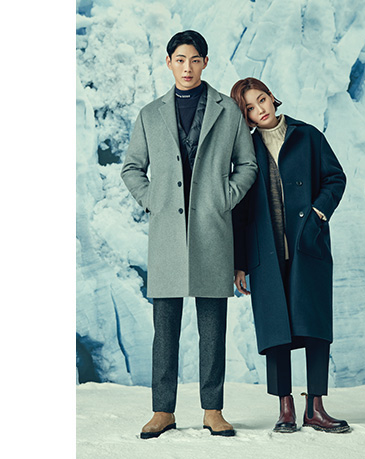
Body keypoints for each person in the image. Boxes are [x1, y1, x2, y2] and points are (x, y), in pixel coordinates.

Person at [121, 31, 257, 439]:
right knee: (165, 330)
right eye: (180, 59)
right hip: (166, 233)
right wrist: (155, 201)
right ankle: (162, 411)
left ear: (205, 62)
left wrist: (223, 197)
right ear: (169, 63)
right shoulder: (150, 114)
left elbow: (246, 165)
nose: (187, 67)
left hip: (211, 229)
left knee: (212, 327)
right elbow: (132, 168)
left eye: (195, 60)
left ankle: (213, 410)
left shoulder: (227, 111)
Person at [230, 77, 349, 433]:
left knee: (315, 325)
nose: (260, 109)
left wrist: (318, 214)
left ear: (272, 97)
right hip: (266, 251)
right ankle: (285, 408)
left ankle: (316, 408)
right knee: (276, 327)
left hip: (307, 245)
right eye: (250, 108)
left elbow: (335, 178)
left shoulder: (307, 136)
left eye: (261, 99)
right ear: (246, 116)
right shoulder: (246, 151)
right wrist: (240, 263)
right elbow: (241, 211)